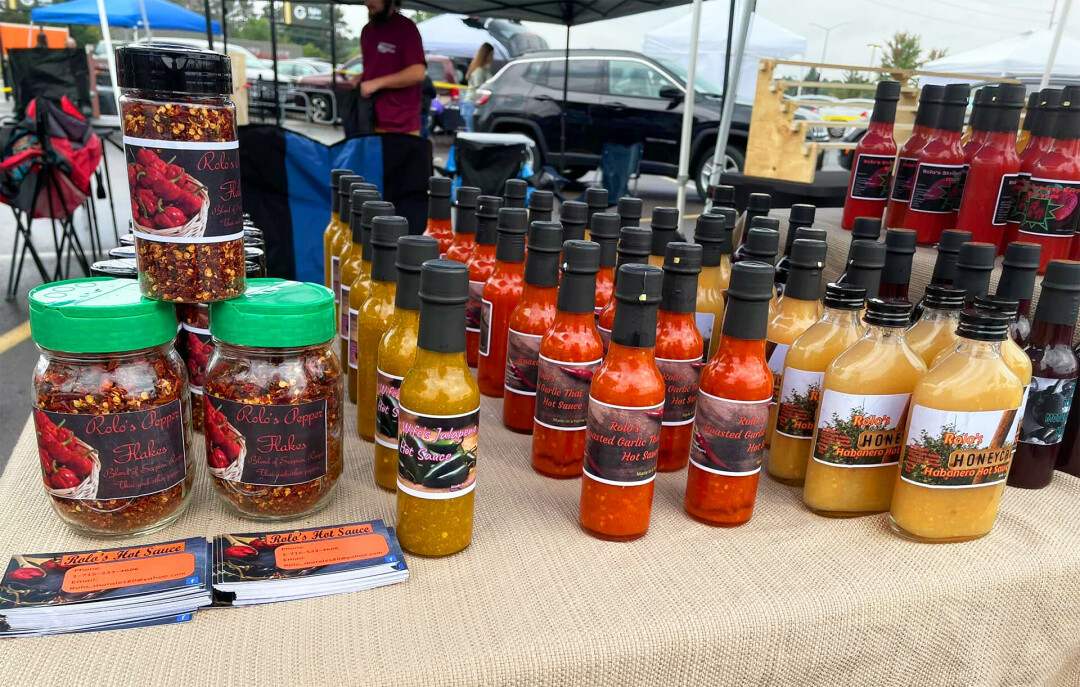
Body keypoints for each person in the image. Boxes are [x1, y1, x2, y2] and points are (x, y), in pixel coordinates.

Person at [360, 0, 426, 134]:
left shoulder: (406, 28)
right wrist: (360, 78)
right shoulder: (367, 31)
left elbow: (417, 73)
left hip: (402, 126)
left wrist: (376, 83)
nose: (367, 2)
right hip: (371, 120)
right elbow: (377, 69)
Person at [462, 42, 493, 132]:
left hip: (471, 104)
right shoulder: (479, 71)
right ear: (486, 55)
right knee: (471, 133)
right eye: (491, 55)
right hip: (472, 104)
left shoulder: (481, 69)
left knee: (471, 132)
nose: (492, 58)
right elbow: (479, 91)